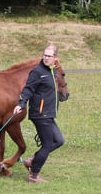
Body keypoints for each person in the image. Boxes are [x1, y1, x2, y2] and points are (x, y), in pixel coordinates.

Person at [12, 44, 65, 183]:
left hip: (49, 114)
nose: (46, 58)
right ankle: (34, 175)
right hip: (40, 114)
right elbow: (28, 89)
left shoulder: (52, 71)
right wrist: (21, 104)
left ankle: (32, 161)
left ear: (55, 58)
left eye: (49, 56)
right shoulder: (37, 72)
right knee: (47, 145)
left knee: (59, 141)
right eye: (45, 55)